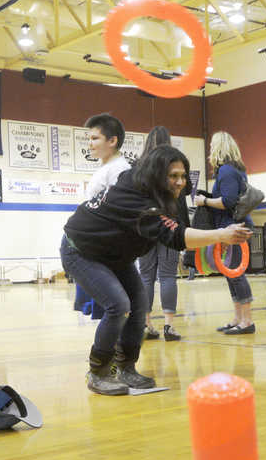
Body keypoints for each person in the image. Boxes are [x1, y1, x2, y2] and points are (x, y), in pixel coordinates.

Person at [62, 145, 251, 395]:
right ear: (157, 174)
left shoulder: (159, 194)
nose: (180, 182)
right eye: (173, 176)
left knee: (140, 304)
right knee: (119, 305)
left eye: (183, 176)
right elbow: (175, 236)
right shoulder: (136, 198)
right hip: (81, 250)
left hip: (115, 255)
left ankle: (126, 368)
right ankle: (98, 373)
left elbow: (175, 228)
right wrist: (220, 235)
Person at [194, 131, 256, 335]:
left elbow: (227, 201)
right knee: (231, 275)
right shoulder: (234, 170)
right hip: (232, 226)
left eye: (212, 145)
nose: (210, 149)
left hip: (234, 227)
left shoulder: (227, 171)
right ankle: (238, 318)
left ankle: (247, 321)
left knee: (236, 275)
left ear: (219, 147)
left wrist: (204, 201)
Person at [135, 126, 188, 342]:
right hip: (169, 226)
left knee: (145, 276)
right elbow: (181, 201)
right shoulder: (174, 164)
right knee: (167, 276)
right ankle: (169, 325)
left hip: (145, 228)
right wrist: (184, 231)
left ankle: (146, 324)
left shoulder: (139, 168)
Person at [84, 113, 129, 201]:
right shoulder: (107, 166)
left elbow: (116, 207)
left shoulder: (119, 169)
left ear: (112, 141)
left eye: (94, 138)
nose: (89, 143)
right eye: (88, 139)